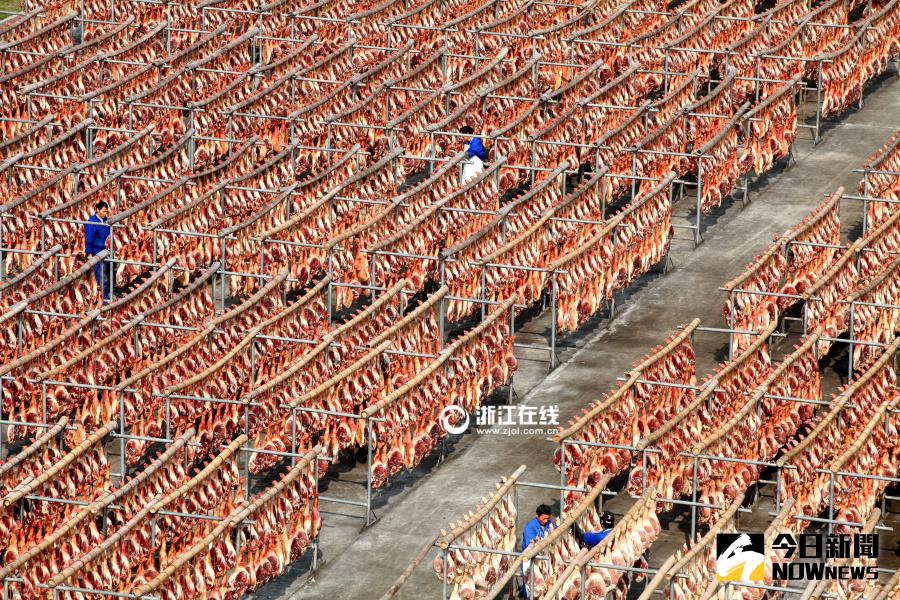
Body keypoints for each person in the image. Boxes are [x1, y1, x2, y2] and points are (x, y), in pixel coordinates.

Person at [519, 504, 555, 598]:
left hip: (544, 558)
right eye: (544, 518)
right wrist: (538, 544)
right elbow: (529, 545)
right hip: (531, 560)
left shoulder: (548, 524)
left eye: (548, 518)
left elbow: (554, 532)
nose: (546, 521)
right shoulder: (530, 527)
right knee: (531, 588)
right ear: (537, 515)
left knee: (546, 585)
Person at [84, 201, 112, 304]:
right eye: (103, 211)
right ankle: (103, 298)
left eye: (106, 211)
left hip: (105, 250)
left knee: (107, 273)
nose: (105, 213)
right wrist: (89, 252)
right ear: (97, 210)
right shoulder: (92, 222)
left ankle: (106, 294)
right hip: (96, 251)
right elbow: (89, 238)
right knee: (101, 276)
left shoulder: (105, 220)